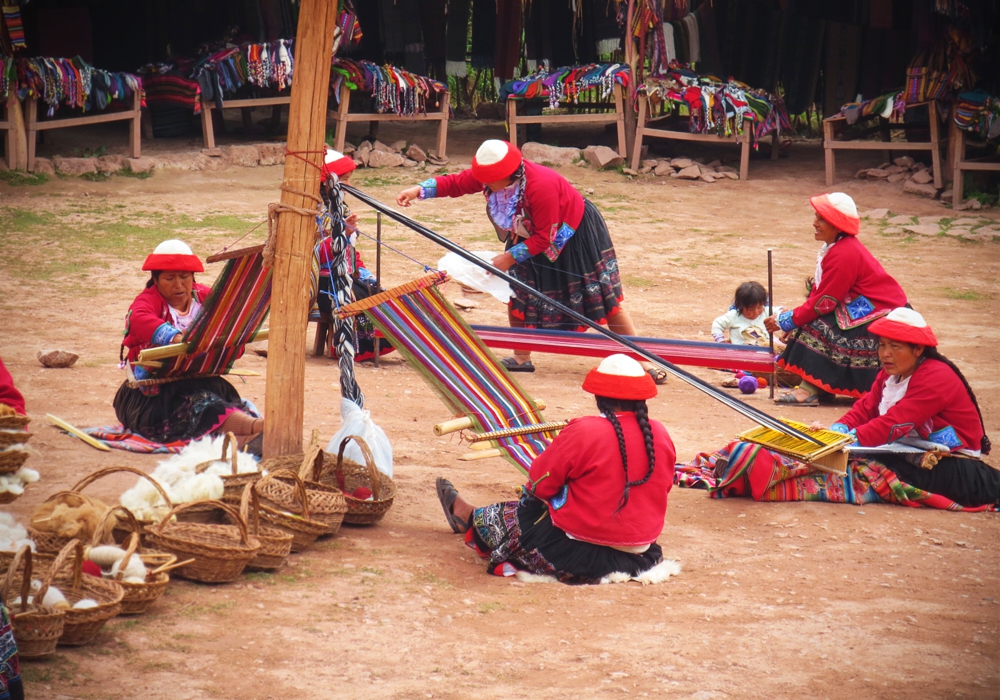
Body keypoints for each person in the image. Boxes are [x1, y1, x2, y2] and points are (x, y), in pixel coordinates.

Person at [396, 139, 666, 383]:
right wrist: (418, 190)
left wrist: (509, 257)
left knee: (601, 297)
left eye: (489, 182)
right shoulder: (494, 177)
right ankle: (521, 357)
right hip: (528, 232)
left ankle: (641, 360)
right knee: (516, 291)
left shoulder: (541, 186)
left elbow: (544, 238)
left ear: (507, 175)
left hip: (571, 236)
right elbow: (456, 182)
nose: (485, 186)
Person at [679, 309, 999, 509]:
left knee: (854, 470)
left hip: (944, 464)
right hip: (901, 449)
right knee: (835, 458)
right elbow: (866, 407)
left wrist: (843, 443)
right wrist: (840, 429)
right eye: (882, 345)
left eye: (894, 346)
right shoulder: (891, 373)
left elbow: (894, 424)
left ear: (918, 349)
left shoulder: (936, 377)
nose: (884, 354)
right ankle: (744, 463)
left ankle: (754, 469)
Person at [435, 354, 676, 584]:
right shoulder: (659, 433)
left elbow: (541, 485)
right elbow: (660, 487)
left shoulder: (585, 430)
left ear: (598, 397)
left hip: (580, 553)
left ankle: (468, 517)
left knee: (512, 514)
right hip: (640, 551)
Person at [113, 240, 263, 447]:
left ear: (193, 277)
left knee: (221, 402)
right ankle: (256, 430)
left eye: (184, 277)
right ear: (155, 280)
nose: (178, 285)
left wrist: (232, 339)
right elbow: (139, 318)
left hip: (198, 379)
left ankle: (246, 436)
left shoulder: (205, 298)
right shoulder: (148, 300)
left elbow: (229, 323)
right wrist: (179, 339)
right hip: (155, 393)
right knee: (204, 407)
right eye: (169, 278)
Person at [763, 192, 908, 405]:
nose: (815, 223)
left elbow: (825, 302)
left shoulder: (844, 253)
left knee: (818, 323)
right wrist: (792, 320)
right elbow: (820, 293)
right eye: (816, 217)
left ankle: (810, 389)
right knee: (811, 318)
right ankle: (820, 386)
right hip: (860, 305)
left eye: (821, 219)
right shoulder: (833, 248)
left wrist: (786, 320)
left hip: (880, 310)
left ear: (837, 225)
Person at [314, 148, 392, 362]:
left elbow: (351, 253)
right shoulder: (313, 214)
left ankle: (372, 343)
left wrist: (364, 273)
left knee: (379, 293)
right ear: (327, 183)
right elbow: (313, 254)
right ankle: (348, 346)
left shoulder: (341, 210)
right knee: (357, 296)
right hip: (322, 283)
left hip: (345, 274)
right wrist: (341, 234)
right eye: (344, 180)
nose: (348, 186)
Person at [712, 281, 770, 346]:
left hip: (765, 353)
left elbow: (780, 313)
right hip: (739, 353)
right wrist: (720, 341)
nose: (756, 312)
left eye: (759, 307)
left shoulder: (767, 312)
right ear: (740, 306)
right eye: (751, 309)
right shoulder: (734, 316)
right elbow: (717, 324)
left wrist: (782, 311)